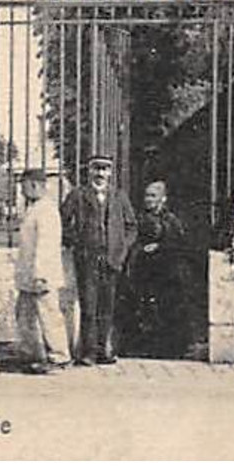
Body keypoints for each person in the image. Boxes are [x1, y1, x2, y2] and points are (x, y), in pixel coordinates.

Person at [60, 155, 138, 366]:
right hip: (87, 258)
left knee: (107, 306)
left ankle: (104, 350)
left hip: (112, 259)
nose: (100, 174)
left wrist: (122, 247)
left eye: (105, 170)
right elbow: (63, 221)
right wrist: (75, 241)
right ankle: (88, 352)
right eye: (96, 169)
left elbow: (131, 226)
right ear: (89, 171)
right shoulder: (78, 195)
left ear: (111, 173)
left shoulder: (119, 197)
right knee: (89, 306)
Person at [11, 168, 71, 375]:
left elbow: (46, 245)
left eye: (24, 186)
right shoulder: (34, 208)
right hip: (28, 275)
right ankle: (31, 355)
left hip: (41, 275)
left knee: (49, 316)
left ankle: (59, 357)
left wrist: (41, 275)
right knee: (24, 315)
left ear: (35, 185)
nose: (22, 191)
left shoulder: (47, 210)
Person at [127, 180, 190, 358]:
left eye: (153, 195)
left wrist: (159, 247)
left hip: (168, 271)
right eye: (146, 195)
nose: (148, 199)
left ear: (163, 198)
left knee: (169, 308)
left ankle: (173, 349)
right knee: (147, 308)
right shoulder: (139, 217)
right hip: (146, 270)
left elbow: (180, 244)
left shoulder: (171, 219)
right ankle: (150, 347)